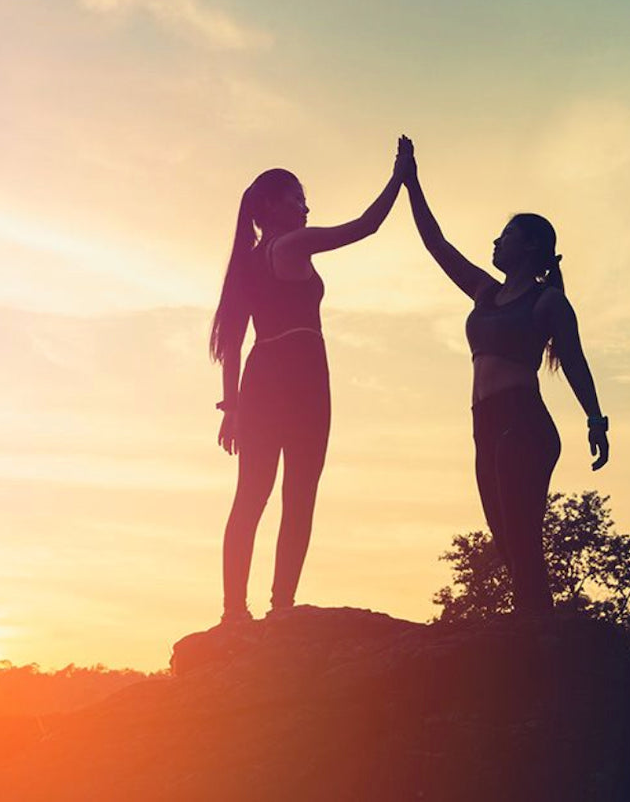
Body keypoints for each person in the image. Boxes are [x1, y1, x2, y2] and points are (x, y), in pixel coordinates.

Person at [401, 140, 609, 616]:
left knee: (521, 533)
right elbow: (436, 244)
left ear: (531, 246)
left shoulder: (546, 302)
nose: (495, 242)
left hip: (524, 421)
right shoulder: (483, 292)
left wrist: (596, 419)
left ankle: (539, 639)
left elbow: (574, 361)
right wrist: (411, 182)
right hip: (485, 423)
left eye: (506, 234)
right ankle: (539, 631)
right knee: (505, 540)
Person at [210, 138, 413, 623]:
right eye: (297, 197)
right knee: (299, 492)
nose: (306, 205)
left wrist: (232, 407)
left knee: (252, 495)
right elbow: (365, 226)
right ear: (272, 207)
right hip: (301, 378)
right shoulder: (292, 244)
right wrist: (399, 178)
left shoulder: (248, 261)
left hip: (261, 378)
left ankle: (234, 611)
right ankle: (281, 606)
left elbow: (233, 343)